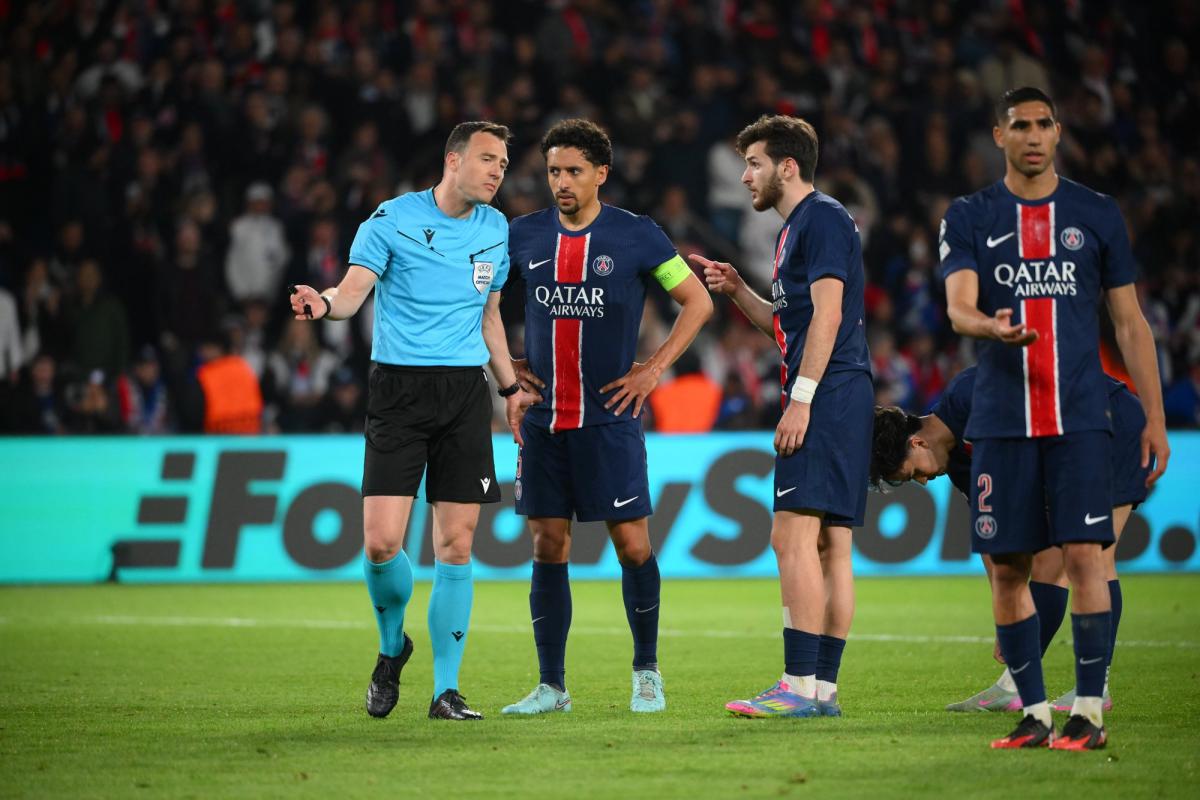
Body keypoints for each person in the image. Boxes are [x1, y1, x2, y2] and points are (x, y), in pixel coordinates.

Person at [940, 87, 1169, 750]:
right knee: (1009, 570)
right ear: (999, 135)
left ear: (1059, 133)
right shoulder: (970, 214)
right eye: (1020, 125)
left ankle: (1089, 713)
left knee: (1085, 558)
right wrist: (989, 325)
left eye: (1044, 124)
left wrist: (1153, 416)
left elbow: (1129, 322)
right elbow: (958, 307)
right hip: (1004, 420)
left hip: (1080, 417)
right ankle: (1035, 714)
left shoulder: (1095, 213)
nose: (1033, 136)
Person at [288, 121, 539, 722]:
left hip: (462, 396)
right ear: (453, 160)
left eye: (503, 163)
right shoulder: (391, 218)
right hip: (398, 390)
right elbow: (352, 294)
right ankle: (391, 644)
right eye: (486, 159)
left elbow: (490, 319)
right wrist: (322, 304)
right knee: (380, 544)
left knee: (454, 547)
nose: (497, 171)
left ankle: (445, 692)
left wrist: (508, 389)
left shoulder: (496, 229)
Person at [499, 119, 713, 715]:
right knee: (547, 545)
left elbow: (697, 299)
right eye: (552, 172)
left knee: (634, 547)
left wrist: (654, 368)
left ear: (600, 174)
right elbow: (481, 305)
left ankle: (647, 672)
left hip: (610, 421)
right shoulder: (521, 236)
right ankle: (551, 686)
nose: (560, 183)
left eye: (572, 171)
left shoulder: (637, 237)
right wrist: (506, 367)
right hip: (544, 423)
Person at [694, 114, 872, 719]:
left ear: (787, 166)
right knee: (831, 545)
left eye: (754, 163)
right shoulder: (800, 228)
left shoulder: (817, 218)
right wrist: (740, 290)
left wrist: (801, 398)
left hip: (826, 393)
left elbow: (827, 315)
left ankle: (798, 683)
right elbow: (788, 323)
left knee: (791, 536)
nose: (745, 177)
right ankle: (820, 689)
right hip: (844, 390)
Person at [870, 366, 1151, 713]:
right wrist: (1005, 612)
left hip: (1106, 423)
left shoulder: (970, 397)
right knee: (1050, 561)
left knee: (1094, 556)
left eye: (914, 472)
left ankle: (1095, 687)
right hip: (1068, 448)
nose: (925, 481)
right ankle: (1016, 685)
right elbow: (993, 529)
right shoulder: (957, 461)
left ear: (917, 441)